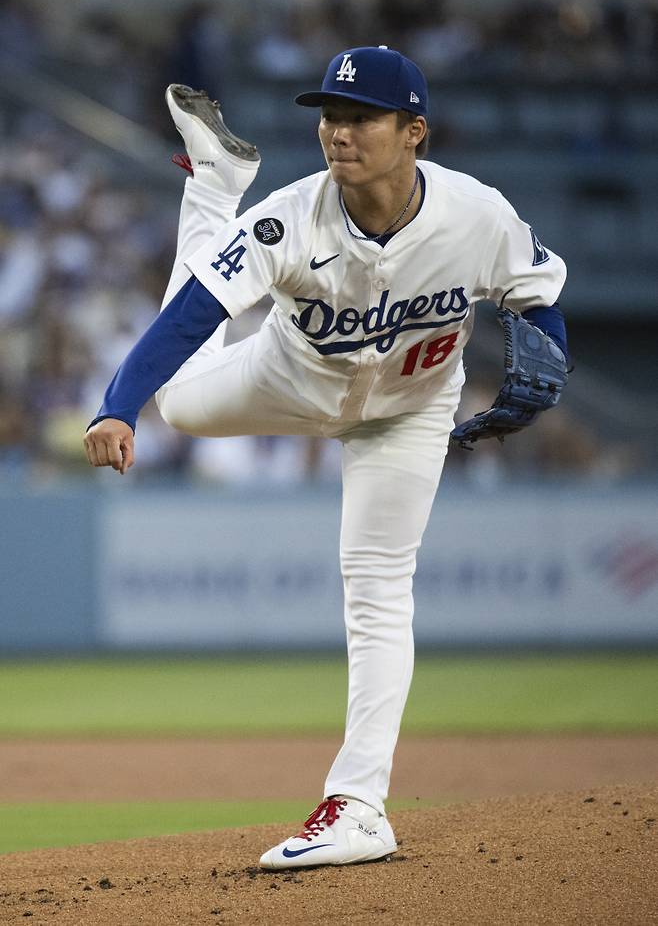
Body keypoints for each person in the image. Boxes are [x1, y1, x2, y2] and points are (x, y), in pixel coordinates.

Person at [84, 46, 568, 869]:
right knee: (178, 401)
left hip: (409, 411)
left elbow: (537, 293)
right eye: (330, 116)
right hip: (287, 382)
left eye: (361, 118)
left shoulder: (477, 214)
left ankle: (359, 807)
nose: (339, 132)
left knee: (379, 586)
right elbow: (192, 314)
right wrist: (117, 404)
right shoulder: (289, 219)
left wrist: (548, 355)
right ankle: (213, 187)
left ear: (414, 130)